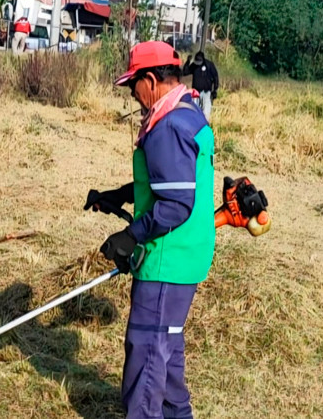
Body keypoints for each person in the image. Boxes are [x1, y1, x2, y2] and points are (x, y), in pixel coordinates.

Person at [84, 41, 215, 419]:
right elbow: (171, 182)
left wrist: (131, 236)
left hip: (167, 259)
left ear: (151, 80)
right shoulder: (188, 113)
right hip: (188, 253)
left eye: (133, 86)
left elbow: (175, 204)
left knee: (146, 352)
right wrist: (121, 195)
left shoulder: (167, 126)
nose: (132, 95)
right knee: (167, 349)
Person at [183, 51, 219, 120]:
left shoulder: (209, 65)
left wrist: (215, 90)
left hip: (206, 92)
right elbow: (185, 72)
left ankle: (205, 125)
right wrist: (188, 62)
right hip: (196, 92)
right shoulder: (194, 65)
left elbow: (215, 77)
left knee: (206, 111)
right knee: (195, 110)